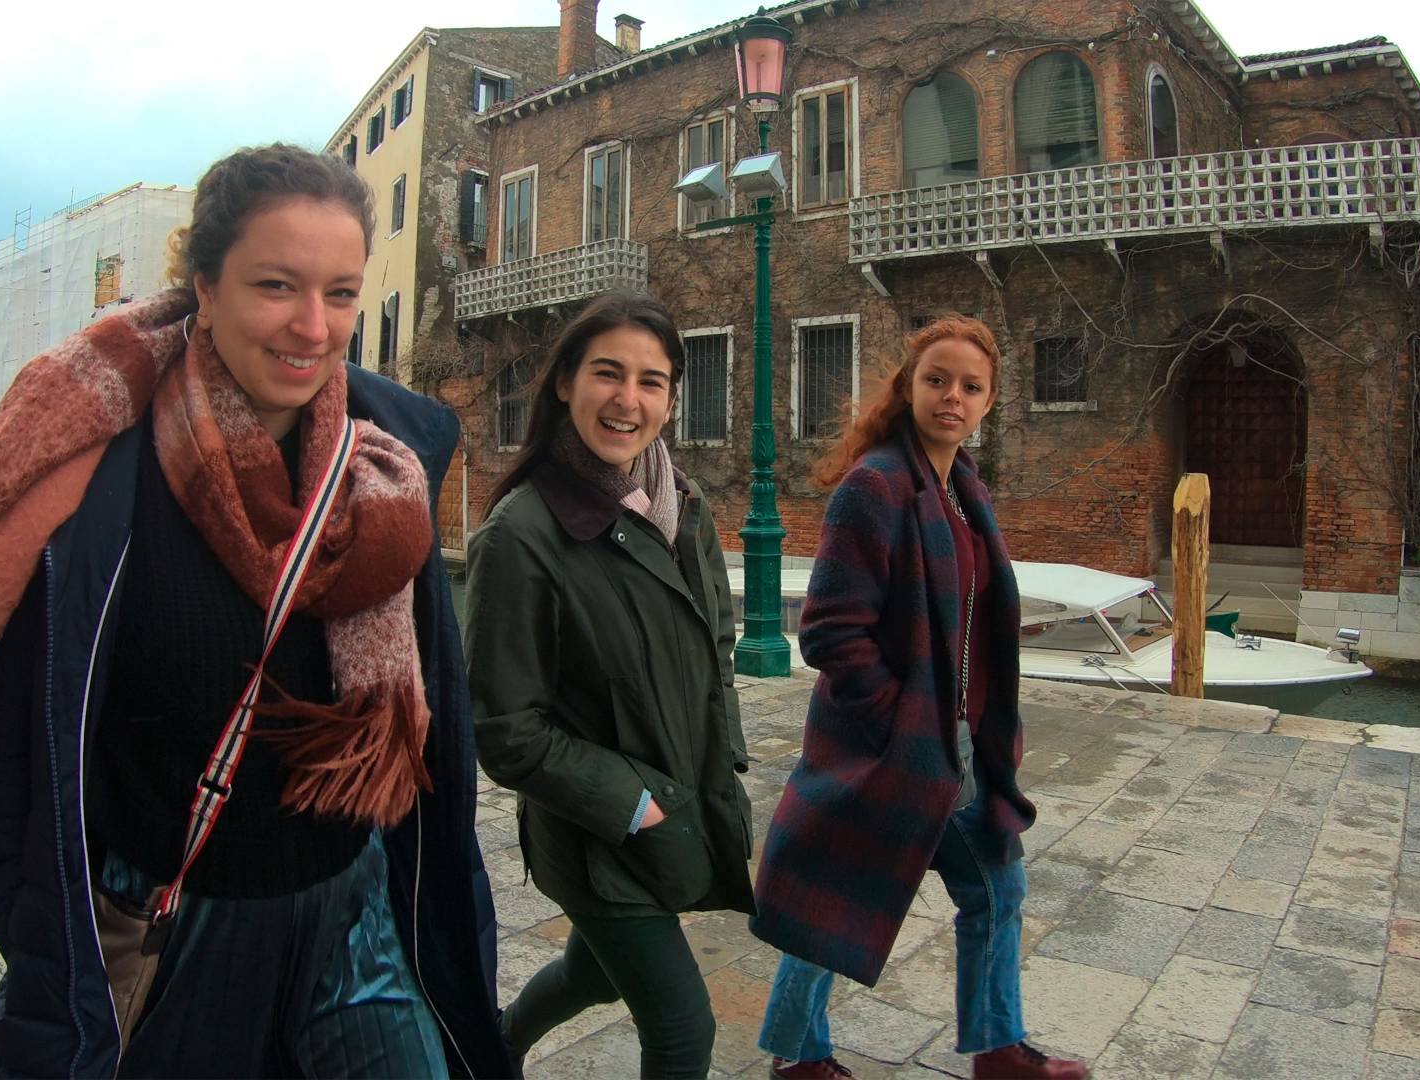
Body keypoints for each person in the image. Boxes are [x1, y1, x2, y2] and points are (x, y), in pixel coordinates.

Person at [0, 144, 510, 1079]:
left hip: (355, 916)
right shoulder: (94, 467)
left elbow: (434, 726)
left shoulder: (391, 466)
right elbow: (8, 736)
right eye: (277, 285)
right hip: (175, 927)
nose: (312, 326)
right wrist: (42, 941)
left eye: (340, 293)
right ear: (204, 286)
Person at [749, 316, 1087, 1080]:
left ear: (990, 401)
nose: (952, 397)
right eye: (937, 380)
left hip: (959, 741)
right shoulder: (875, 487)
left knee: (993, 883)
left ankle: (996, 1048)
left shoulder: (966, 491)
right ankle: (805, 1058)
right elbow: (831, 631)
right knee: (841, 894)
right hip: (894, 748)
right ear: (909, 386)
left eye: (971, 387)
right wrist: (899, 723)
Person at [464, 293, 753, 1079]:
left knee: (593, 973)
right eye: (608, 374)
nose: (629, 400)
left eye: (652, 381)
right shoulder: (521, 537)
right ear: (565, 382)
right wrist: (636, 804)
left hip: (677, 805)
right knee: (684, 1031)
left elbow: (715, 640)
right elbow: (503, 728)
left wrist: (719, 756)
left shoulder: (681, 506)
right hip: (600, 835)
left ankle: (489, 1049)